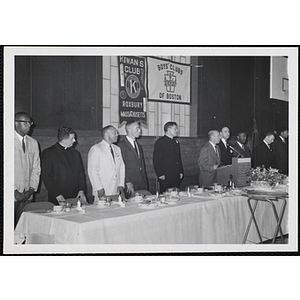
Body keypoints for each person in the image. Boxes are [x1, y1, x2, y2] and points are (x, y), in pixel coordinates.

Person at [41, 126, 87, 205]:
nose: (75, 140)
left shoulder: (75, 153)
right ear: (64, 139)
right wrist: (57, 195)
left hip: (76, 196)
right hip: (58, 197)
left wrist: (81, 190)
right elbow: (46, 176)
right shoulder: (48, 153)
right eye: (72, 138)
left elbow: (81, 173)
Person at [14, 112, 41, 227]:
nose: (29, 125)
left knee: (24, 229)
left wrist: (31, 189)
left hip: (27, 194)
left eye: (30, 122)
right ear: (16, 123)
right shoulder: (7, 140)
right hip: (12, 195)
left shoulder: (33, 143)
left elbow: (36, 168)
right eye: (25, 122)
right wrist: (14, 191)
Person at [88, 125, 125, 201]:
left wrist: (121, 184)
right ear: (106, 134)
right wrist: (99, 188)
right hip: (103, 189)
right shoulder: (96, 148)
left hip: (116, 189)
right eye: (114, 133)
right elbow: (93, 170)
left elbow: (121, 167)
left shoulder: (117, 149)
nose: (117, 135)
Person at [118, 120, 148, 198]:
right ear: (130, 129)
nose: (140, 130)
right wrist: (127, 182)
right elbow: (122, 165)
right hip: (130, 183)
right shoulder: (121, 145)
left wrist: (145, 182)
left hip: (141, 182)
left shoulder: (138, 145)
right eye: (137, 128)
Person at [153, 121, 184, 193]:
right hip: (166, 175)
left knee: (175, 194)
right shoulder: (160, 142)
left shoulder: (176, 142)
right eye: (175, 129)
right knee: (165, 195)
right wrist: (160, 174)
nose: (177, 130)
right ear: (168, 129)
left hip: (176, 175)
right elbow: (156, 159)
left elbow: (178, 158)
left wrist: (181, 171)